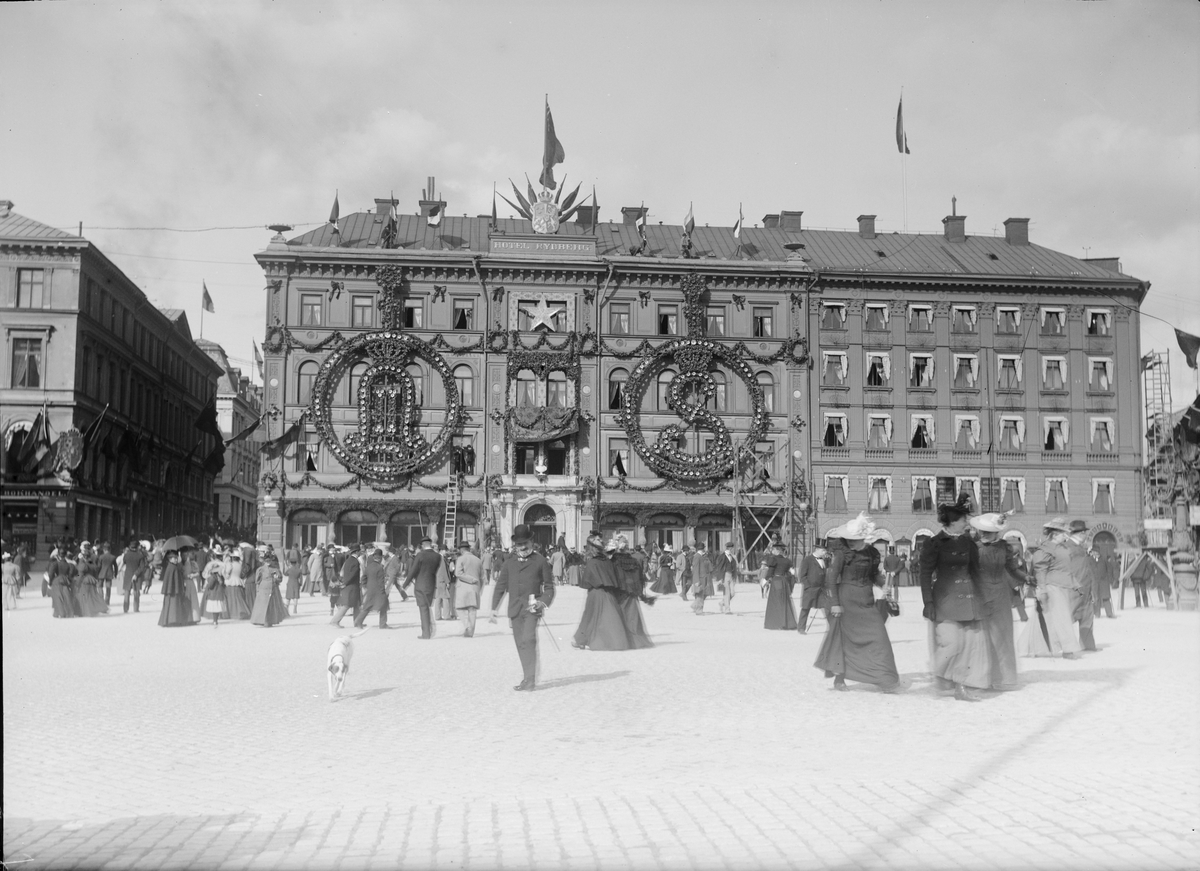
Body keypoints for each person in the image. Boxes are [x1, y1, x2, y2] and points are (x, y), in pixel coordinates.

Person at [813, 514, 901, 693]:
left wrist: (883, 584)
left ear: (864, 538)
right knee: (845, 641)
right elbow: (831, 579)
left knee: (879, 638)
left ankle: (885, 679)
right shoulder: (841, 553)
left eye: (854, 539)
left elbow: (874, 575)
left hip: (867, 601)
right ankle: (839, 679)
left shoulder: (872, 553)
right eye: (848, 539)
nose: (850, 542)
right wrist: (835, 603)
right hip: (846, 601)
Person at [920, 495, 990, 701]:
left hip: (969, 599)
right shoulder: (934, 543)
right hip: (945, 599)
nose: (966, 523)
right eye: (963, 520)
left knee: (968, 646)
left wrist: (983, 597)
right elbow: (925, 575)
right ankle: (938, 672)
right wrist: (928, 602)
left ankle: (960, 686)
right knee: (952, 644)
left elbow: (976, 571)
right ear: (952, 522)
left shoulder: (969, 543)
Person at [491, 524, 555, 691]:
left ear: (531, 542)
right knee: (521, 644)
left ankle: (530, 679)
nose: (522, 547)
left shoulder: (540, 561)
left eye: (525, 543)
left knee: (528, 639)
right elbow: (500, 586)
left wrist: (542, 602)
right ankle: (527, 678)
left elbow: (549, 587)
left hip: (532, 609)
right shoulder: (509, 562)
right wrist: (494, 608)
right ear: (515, 545)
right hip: (515, 609)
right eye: (519, 544)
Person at [970, 513, 1029, 692]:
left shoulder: (1005, 548)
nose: (984, 535)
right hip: (980, 594)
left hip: (1000, 596)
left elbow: (1012, 569)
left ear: (997, 533)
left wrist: (1026, 578)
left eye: (988, 532)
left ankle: (1005, 679)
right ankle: (984, 678)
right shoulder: (974, 548)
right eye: (982, 531)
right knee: (983, 637)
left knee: (1002, 636)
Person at [1019, 517, 1083, 659]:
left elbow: (1066, 568)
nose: (1066, 536)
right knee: (1062, 618)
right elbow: (1040, 570)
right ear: (1054, 534)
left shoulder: (1062, 548)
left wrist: (1075, 583)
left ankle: (1032, 647)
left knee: (1047, 618)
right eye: (1063, 533)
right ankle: (1068, 650)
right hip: (1052, 587)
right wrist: (1042, 589)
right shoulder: (1045, 549)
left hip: (1064, 587)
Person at [1066, 520, 1098, 651]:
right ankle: (1061, 646)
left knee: (1087, 618)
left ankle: (1088, 645)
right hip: (1074, 590)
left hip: (1086, 589)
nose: (1086, 535)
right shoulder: (1068, 547)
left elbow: (1087, 570)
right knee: (1067, 618)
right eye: (1085, 532)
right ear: (1081, 533)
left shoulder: (1081, 547)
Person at [404, 536, 443, 639]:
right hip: (431, 584)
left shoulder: (420, 555)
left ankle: (426, 633)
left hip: (420, 585)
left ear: (422, 545)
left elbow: (413, 571)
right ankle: (428, 630)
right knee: (427, 607)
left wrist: (406, 584)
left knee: (423, 609)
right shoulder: (438, 556)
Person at [761, 543, 797, 630]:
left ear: (777, 550)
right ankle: (787, 623)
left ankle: (777, 623)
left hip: (776, 580)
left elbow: (770, 572)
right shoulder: (787, 561)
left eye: (773, 550)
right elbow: (792, 573)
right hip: (784, 581)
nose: (772, 551)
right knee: (784, 602)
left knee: (776, 602)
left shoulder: (773, 559)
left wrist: (765, 580)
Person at [797, 544, 831, 633]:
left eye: (825, 551)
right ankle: (801, 628)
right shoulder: (807, 560)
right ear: (817, 549)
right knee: (806, 608)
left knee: (827, 607)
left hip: (821, 589)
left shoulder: (824, 560)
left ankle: (832, 628)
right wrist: (808, 586)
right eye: (823, 550)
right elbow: (802, 576)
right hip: (810, 589)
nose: (825, 552)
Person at [454, 541, 485, 637]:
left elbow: (458, 573)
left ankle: (467, 626)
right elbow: (482, 577)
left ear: (461, 550)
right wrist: (480, 588)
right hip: (475, 588)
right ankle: (471, 631)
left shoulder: (461, 559)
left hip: (463, 587)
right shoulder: (478, 560)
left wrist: (470, 579)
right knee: (472, 610)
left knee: (459, 608)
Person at [158, 550, 196, 627]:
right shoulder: (172, 567)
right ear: (170, 559)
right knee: (173, 606)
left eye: (176, 558)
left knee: (173, 605)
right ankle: (172, 621)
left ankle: (170, 621)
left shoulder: (173, 567)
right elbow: (173, 580)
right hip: (173, 591)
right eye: (174, 558)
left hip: (173, 590)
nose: (176, 560)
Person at [355, 548, 390, 629]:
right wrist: (383, 591)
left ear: (374, 557)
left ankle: (359, 621)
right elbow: (381, 581)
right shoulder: (380, 567)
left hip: (370, 589)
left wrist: (366, 586)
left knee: (367, 606)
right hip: (379, 590)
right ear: (380, 558)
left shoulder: (369, 566)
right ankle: (383, 624)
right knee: (384, 605)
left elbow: (363, 578)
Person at [330, 546, 362, 628]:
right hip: (352, 585)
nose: (360, 553)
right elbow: (353, 574)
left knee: (356, 605)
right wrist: (346, 583)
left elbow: (343, 572)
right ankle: (335, 621)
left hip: (349, 585)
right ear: (357, 552)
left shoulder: (348, 560)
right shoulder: (356, 561)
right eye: (359, 551)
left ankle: (357, 622)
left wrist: (343, 581)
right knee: (347, 605)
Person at [74, 548, 109, 617]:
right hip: (92, 580)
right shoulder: (93, 564)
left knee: (84, 596)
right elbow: (95, 573)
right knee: (92, 596)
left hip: (84, 580)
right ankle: (93, 610)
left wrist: (77, 582)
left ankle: (85, 611)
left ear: (84, 557)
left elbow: (80, 574)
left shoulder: (82, 564)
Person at [119, 538, 149, 613]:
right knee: (136, 592)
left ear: (130, 547)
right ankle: (136, 608)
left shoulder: (126, 555)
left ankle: (125, 609)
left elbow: (124, 562)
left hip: (128, 575)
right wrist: (136, 574)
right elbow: (142, 567)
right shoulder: (140, 556)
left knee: (127, 592)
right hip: (137, 576)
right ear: (137, 547)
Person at [48, 545, 78, 618]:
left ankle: (58, 612)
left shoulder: (55, 564)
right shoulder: (70, 565)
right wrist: (69, 581)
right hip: (65, 581)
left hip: (57, 580)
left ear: (58, 555)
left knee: (57, 597)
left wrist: (50, 582)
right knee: (66, 597)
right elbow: (71, 575)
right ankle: (68, 613)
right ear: (65, 555)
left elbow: (50, 574)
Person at [711, 539, 739, 615]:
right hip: (725, 576)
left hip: (731, 576)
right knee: (727, 593)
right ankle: (727, 609)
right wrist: (720, 578)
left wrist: (735, 577)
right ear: (729, 548)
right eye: (732, 548)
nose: (732, 550)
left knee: (732, 593)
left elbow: (735, 568)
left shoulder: (732, 557)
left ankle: (722, 602)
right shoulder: (722, 556)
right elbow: (719, 568)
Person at [1093, 543, 1119, 619]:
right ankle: (1097, 614)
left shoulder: (1104, 559)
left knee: (1106, 597)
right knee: (1096, 598)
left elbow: (1109, 569)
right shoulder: (1090, 560)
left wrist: (1109, 579)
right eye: (1094, 552)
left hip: (1104, 582)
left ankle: (1109, 613)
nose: (1095, 553)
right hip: (1095, 582)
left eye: (1096, 552)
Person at [200, 552, 226, 626]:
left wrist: (207, 584)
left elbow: (210, 585)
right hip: (219, 593)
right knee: (217, 608)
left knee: (214, 608)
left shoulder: (212, 575)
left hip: (213, 594)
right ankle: (216, 620)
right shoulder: (220, 573)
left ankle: (214, 620)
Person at [690, 541, 714, 614]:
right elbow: (696, 569)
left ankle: (695, 606)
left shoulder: (702, 556)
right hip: (700, 578)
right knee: (699, 595)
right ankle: (699, 610)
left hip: (704, 578)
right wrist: (696, 580)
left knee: (703, 594)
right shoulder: (697, 556)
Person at [285, 551, 303, 616]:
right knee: (296, 596)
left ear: (290, 563)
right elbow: (301, 578)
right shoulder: (299, 570)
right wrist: (300, 584)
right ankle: (295, 608)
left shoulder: (289, 569)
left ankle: (287, 608)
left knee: (288, 597)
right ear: (296, 563)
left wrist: (287, 567)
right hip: (296, 583)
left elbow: (285, 574)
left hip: (290, 583)